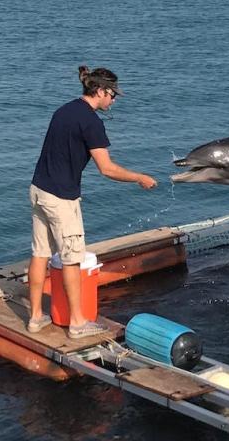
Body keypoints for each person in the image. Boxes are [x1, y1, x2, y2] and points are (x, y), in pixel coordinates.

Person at [27, 65, 157, 337]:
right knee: (72, 259)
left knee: (39, 254)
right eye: (112, 94)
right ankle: (77, 323)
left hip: (39, 189)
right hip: (61, 198)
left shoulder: (64, 110)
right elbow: (107, 169)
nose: (114, 99)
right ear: (99, 91)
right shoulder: (91, 122)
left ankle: (36, 317)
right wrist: (138, 178)